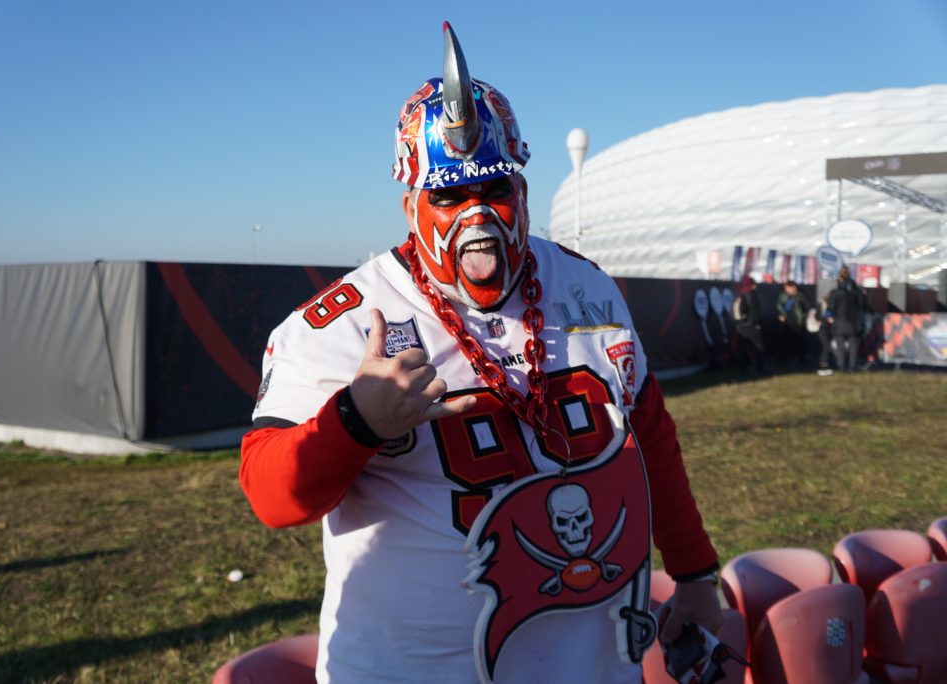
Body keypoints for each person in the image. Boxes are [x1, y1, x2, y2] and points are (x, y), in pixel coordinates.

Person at [239, 23, 721, 684]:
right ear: (411, 204)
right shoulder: (348, 323)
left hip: (593, 664)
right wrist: (356, 421)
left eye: (494, 190)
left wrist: (695, 573)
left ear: (522, 187)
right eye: (450, 197)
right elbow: (270, 494)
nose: (478, 217)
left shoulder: (585, 285)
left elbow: (651, 437)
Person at [826, 266, 867, 372]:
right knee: (853, 345)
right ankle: (852, 366)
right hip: (853, 323)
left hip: (839, 323)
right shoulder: (857, 291)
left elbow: (831, 308)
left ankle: (841, 366)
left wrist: (830, 317)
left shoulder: (835, 292)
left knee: (840, 346)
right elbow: (862, 305)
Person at [731, 275, 766, 374]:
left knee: (742, 348)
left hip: (740, 326)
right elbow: (755, 312)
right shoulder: (752, 295)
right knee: (759, 347)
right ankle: (760, 369)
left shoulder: (739, 294)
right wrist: (755, 325)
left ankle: (742, 369)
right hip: (751, 326)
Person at [774, 280, 810, 367]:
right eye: (785, 288)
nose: (786, 289)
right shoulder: (783, 296)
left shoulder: (800, 296)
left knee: (800, 342)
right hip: (786, 322)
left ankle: (802, 362)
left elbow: (807, 307)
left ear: (793, 287)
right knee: (784, 343)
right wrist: (781, 315)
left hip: (798, 322)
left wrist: (803, 317)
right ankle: (783, 362)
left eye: (788, 288)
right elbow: (778, 306)